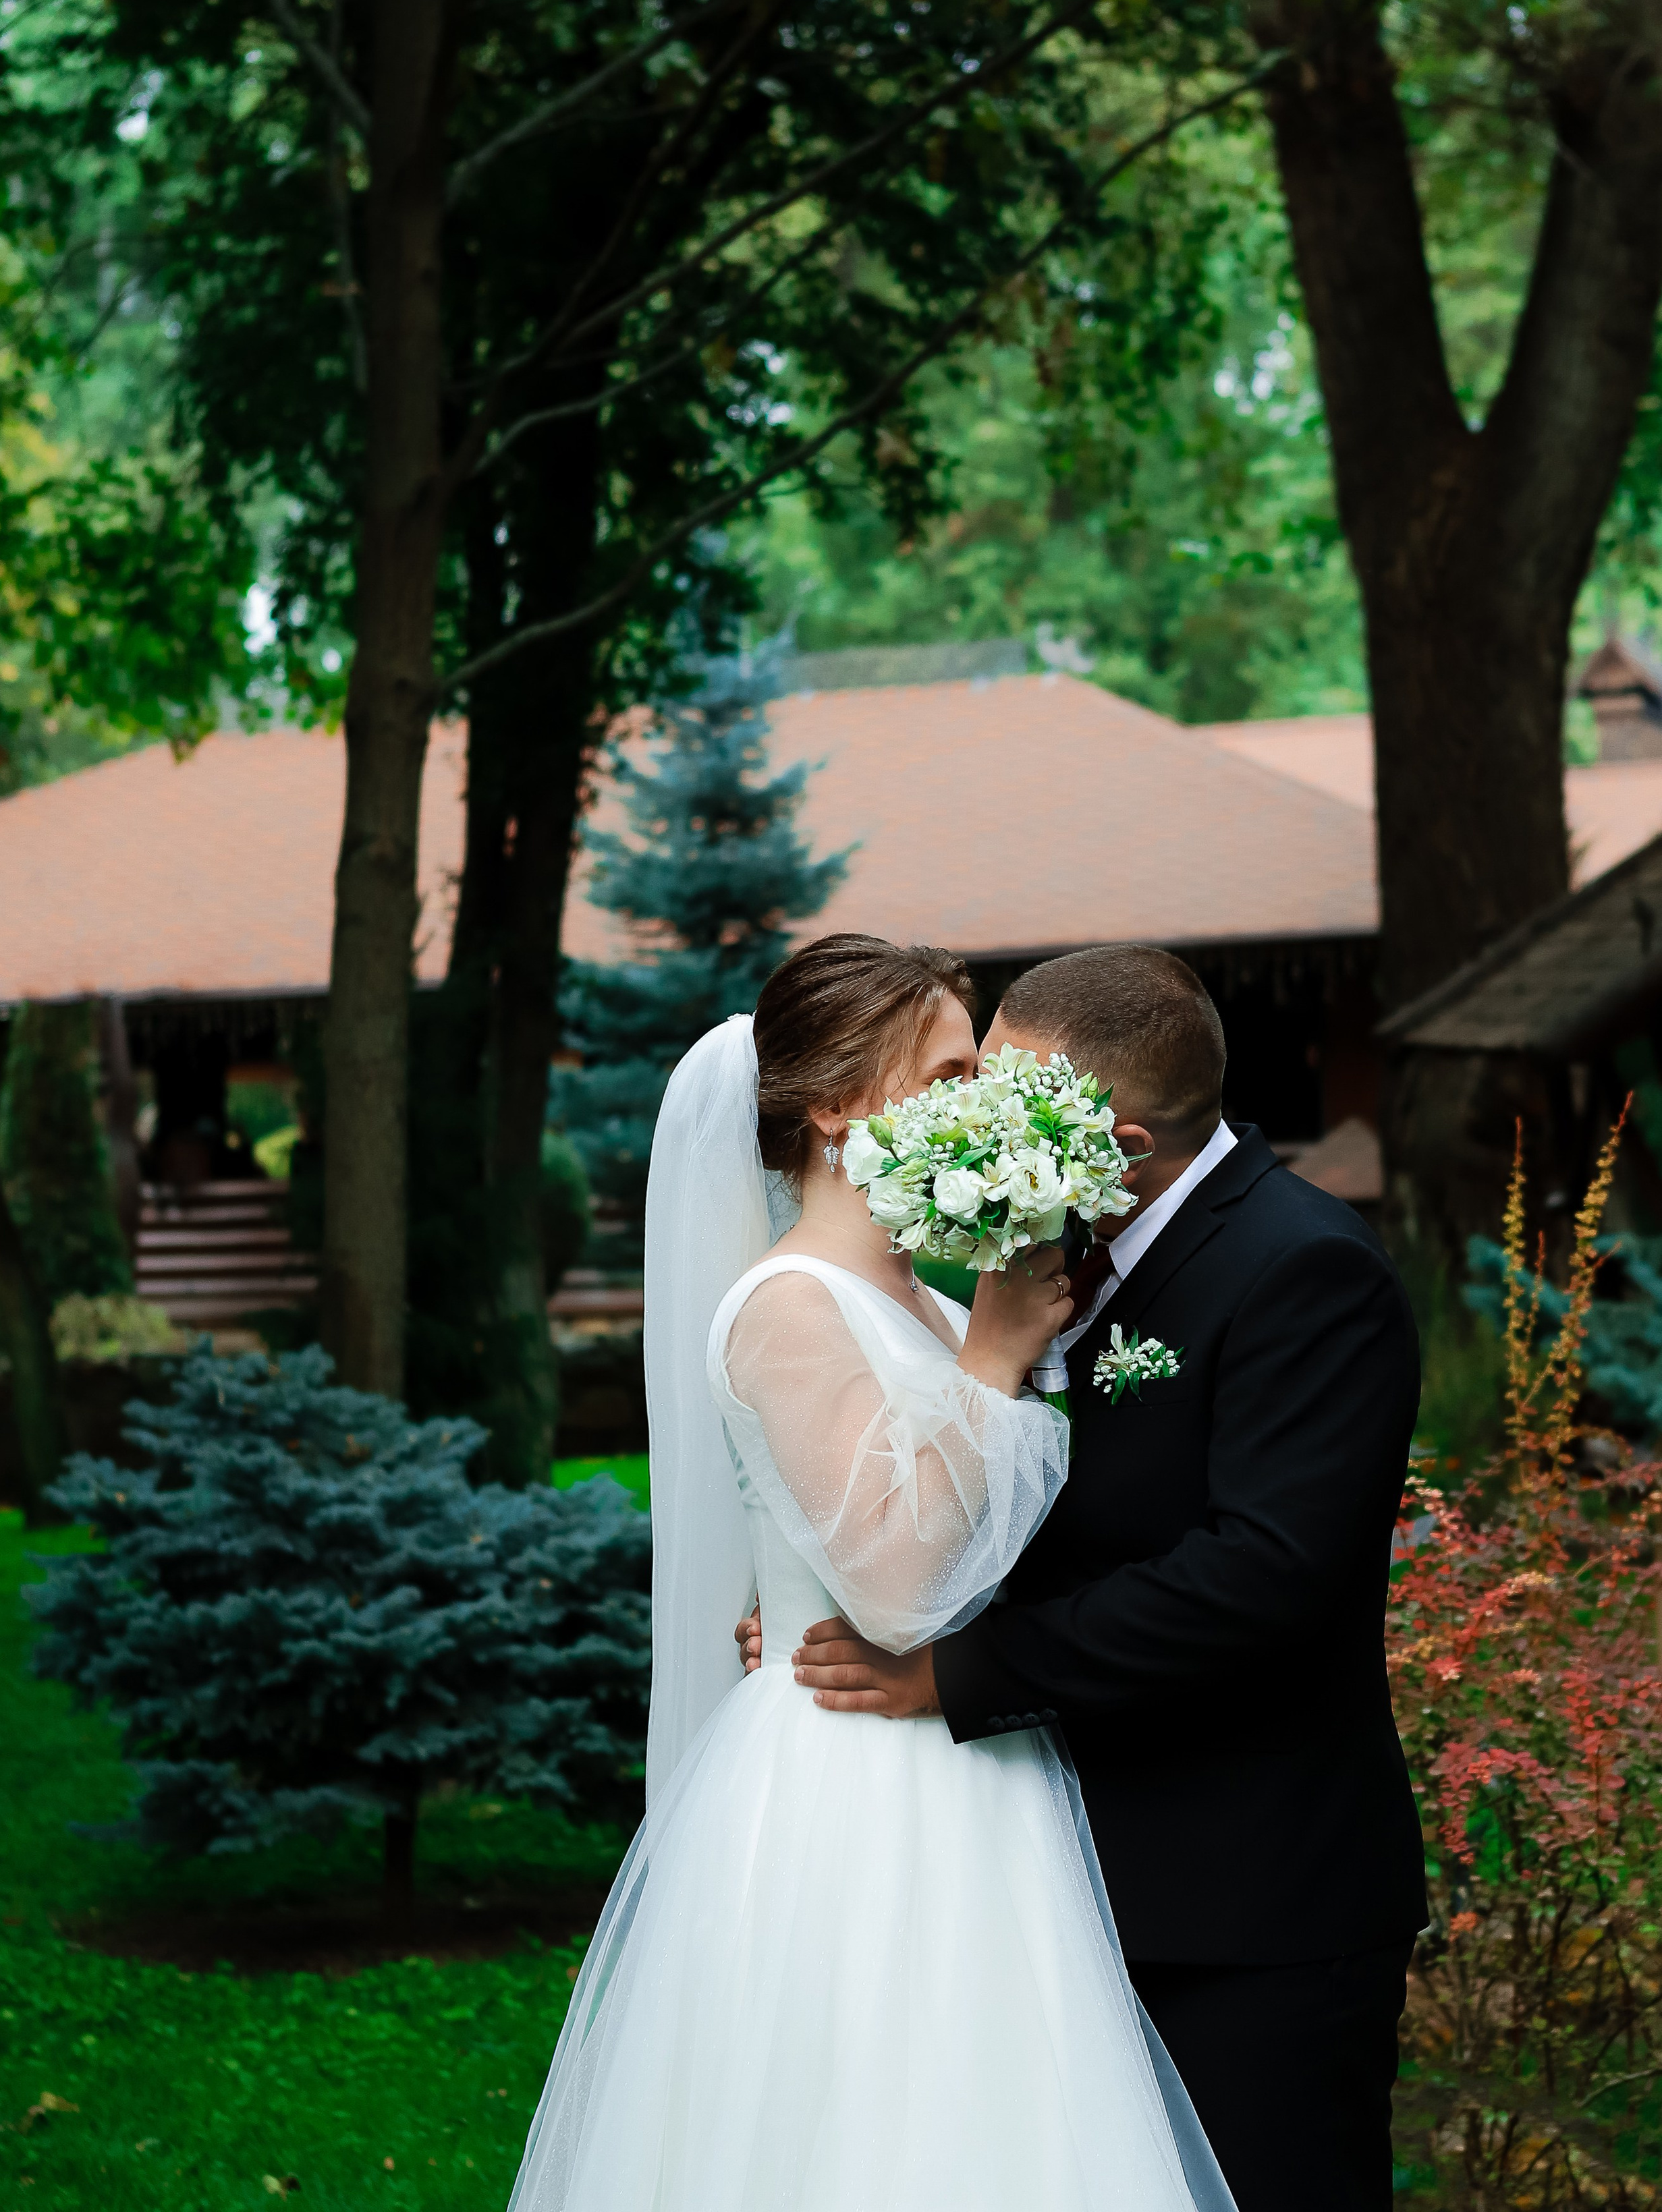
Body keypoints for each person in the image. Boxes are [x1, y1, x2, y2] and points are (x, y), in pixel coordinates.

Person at [507, 932, 1235, 2212]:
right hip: (854, 1789)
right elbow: (897, 1587)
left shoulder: (942, 1306)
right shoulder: (789, 1305)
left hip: (982, 1765)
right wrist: (997, 1358)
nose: (986, 1106)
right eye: (951, 1074)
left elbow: (973, 1542)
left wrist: (986, 1346)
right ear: (841, 1111)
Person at [761, 944, 1427, 2212]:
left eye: (1003, 1098)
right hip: (1062, 1882)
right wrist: (843, 1593)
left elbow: (1259, 1577)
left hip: (1248, 1903)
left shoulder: (1303, 1270)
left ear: (1116, 1143)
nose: (967, 1125)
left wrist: (954, 1668)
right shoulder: (1050, 1254)